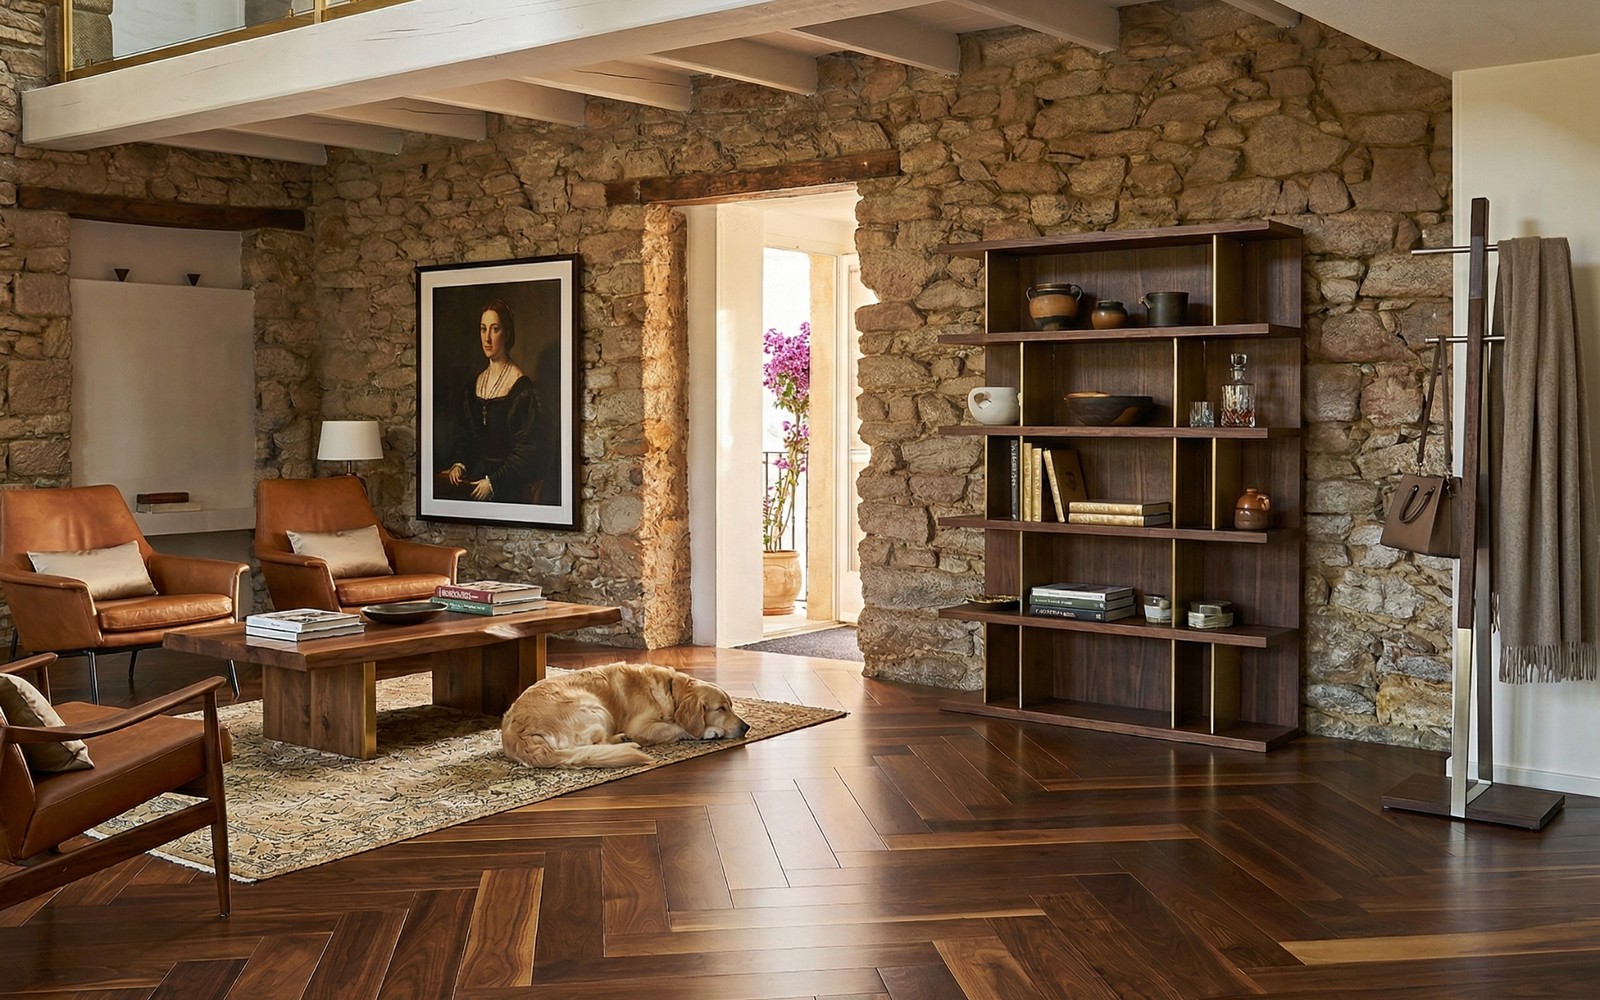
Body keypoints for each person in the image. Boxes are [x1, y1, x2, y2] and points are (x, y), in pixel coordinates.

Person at [437, 299, 546, 503]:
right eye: (483, 329)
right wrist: (459, 464)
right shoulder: (473, 387)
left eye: (494, 329)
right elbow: (466, 438)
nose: (487, 338)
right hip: (475, 479)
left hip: (508, 484)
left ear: (507, 333)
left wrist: (494, 482)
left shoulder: (521, 388)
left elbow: (526, 450)